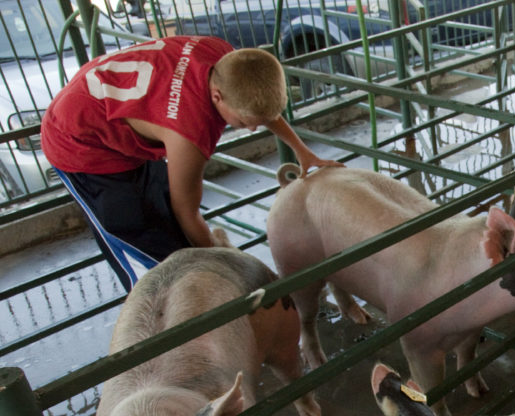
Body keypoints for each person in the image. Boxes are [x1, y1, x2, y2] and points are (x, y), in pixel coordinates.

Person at [41, 35, 342, 290]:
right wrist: (224, 267)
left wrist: (302, 150)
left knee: (169, 218)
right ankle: (162, 319)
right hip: (79, 143)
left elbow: (257, 106)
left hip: (120, 116)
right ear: (216, 97)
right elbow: (187, 211)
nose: (251, 129)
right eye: (243, 122)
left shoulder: (227, 61)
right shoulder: (189, 131)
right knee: (146, 241)